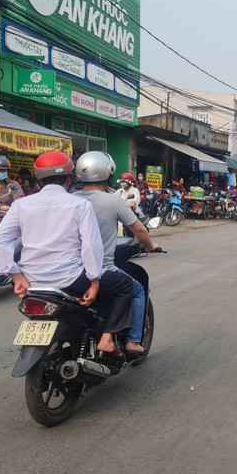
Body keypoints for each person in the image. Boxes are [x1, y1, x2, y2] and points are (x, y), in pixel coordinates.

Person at [0, 151, 134, 359]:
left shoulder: (21, 205)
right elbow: (91, 246)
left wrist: (16, 275)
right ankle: (108, 339)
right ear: (69, 179)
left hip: (32, 283)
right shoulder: (80, 205)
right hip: (71, 281)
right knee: (125, 285)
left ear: (38, 180)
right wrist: (94, 282)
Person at [74, 152, 160, 356]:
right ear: (108, 175)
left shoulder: (70, 199)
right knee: (136, 290)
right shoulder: (113, 201)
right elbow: (139, 230)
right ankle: (131, 341)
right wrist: (150, 245)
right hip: (100, 270)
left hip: (69, 270)